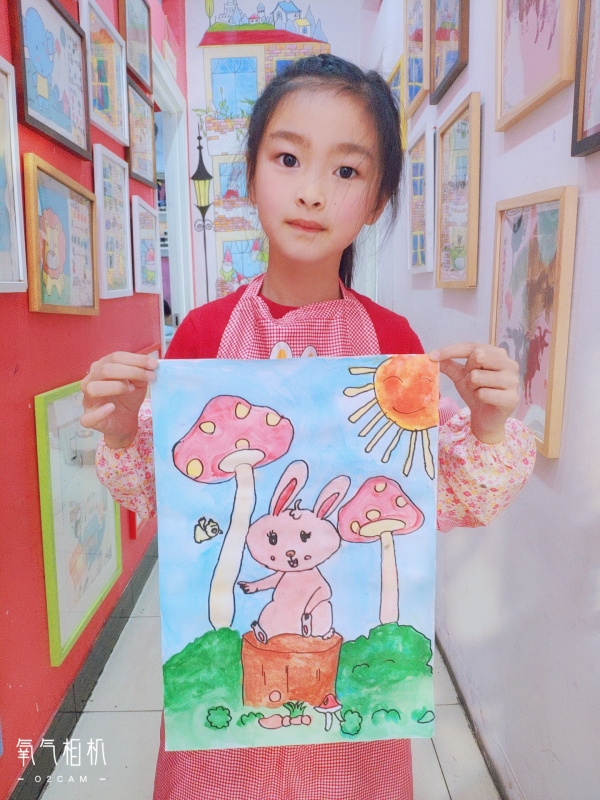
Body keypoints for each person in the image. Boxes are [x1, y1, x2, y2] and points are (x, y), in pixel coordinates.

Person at [81, 55, 535, 800]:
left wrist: (486, 427)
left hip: (351, 741)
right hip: (224, 740)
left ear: (378, 200)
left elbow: (438, 501)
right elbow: (167, 499)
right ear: (251, 173)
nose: (313, 191)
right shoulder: (201, 336)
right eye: (288, 158)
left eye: (347, 171)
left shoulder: (393, 344)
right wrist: (126, 429)